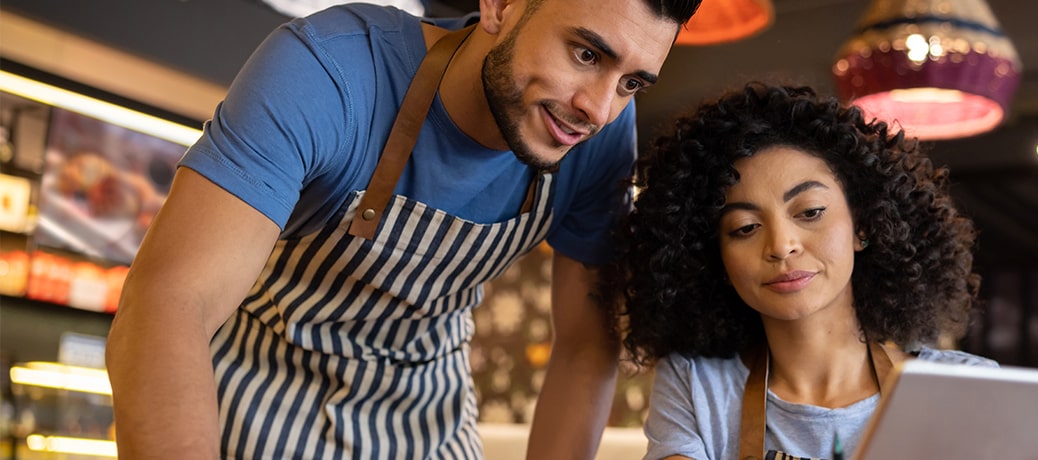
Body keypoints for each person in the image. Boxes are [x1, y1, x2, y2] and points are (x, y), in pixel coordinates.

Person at [104, 0, 700, 458]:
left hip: (426, 421)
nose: (597, 109)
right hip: (245, 403)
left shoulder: (598, 144)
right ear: (500, 5)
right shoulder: (327, 71)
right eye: (587, 55)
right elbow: (169, 303)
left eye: (631, 84)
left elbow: (583, 345)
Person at [598, 83, 998, 459]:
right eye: (744, 228)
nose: (781, 246)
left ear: (863, 226)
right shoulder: (696, 386)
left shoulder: (966, 388)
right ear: (714, 257)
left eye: (810, 212)